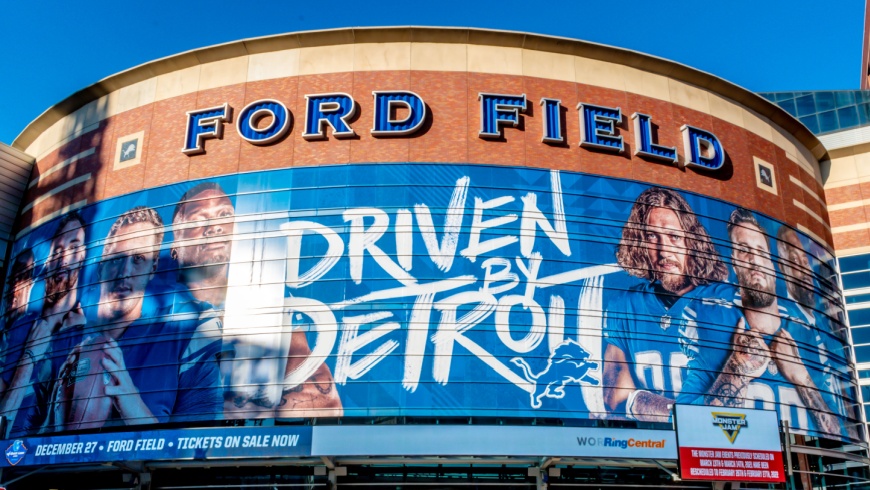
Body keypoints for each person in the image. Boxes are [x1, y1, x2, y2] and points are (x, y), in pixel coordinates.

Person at [170, 182, 342, 419]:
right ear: (174, 246)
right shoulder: (152, 313)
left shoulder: (269, 300)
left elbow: (326, 405)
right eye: (198, 219)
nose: (215, 227)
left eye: (224, 215)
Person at [45, 206, 221, 431]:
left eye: (138, 259)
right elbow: (20, 441)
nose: (125, 271)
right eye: (118, 258)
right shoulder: (63, 344)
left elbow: (196, 444)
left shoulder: (182, 333)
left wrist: (130, 401)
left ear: (153, 268)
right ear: (103, 262)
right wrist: (57, 420)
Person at [679, 209, 841, 437]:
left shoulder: (806, 333)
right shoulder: (710, 323)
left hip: (802, 465)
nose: (754, 260)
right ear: (734, 263)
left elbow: (837, 433)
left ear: (773, 264)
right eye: (744, 251)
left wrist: (801, 377)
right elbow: (687, 424)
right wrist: (738, 368)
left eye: (760, 251)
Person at [603, 187, 735, 422]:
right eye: (652, 237)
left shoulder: (724, 300)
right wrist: (687, 417)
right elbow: (616, 399)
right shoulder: (624, 304)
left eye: (674, 236)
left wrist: (649, 406)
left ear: (691, 242)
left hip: (718, 447)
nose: (664, 251)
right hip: (653, 449)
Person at [3, 211, 88, 432]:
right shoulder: (20, 328)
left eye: (74, 248)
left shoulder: (86, 337)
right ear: (49, 260)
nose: (64, 259)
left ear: (83, 257)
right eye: (58, 250)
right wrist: (29, 356)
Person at [0, 250, 37, 394]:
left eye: (22, 277)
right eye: (12, 280)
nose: (14, 287)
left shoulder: (28, 329)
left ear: (31, 284)